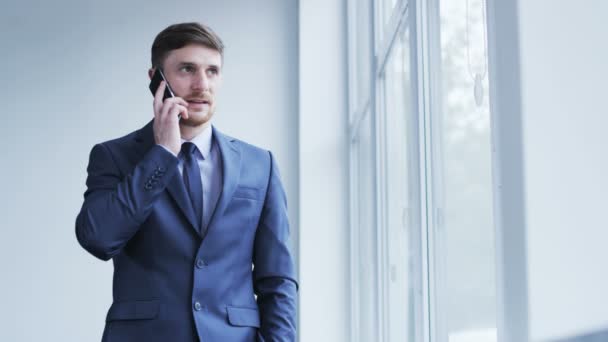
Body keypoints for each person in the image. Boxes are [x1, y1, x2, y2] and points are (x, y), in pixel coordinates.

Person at [75, 22, 297, 342]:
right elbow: (98, 238)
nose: (201, 84)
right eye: (187, 69)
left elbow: (277, 279)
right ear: (156, 80)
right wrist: (162, 155)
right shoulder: (114, 156)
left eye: (212, 71)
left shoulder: (260, 164)